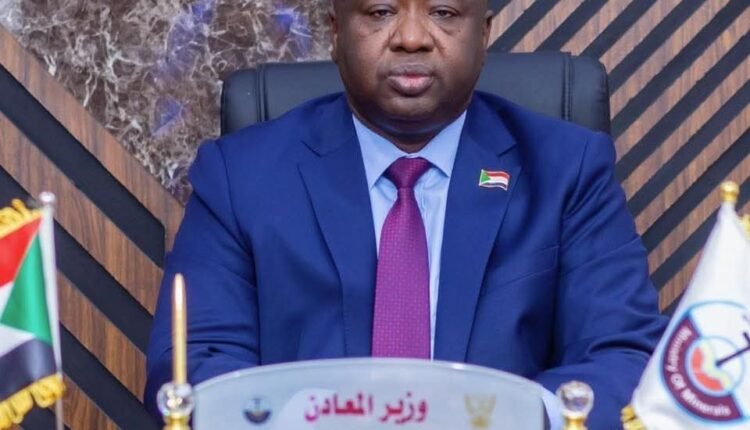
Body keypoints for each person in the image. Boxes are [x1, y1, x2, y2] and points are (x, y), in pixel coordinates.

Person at [145, 0, 666, 428]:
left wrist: (510, 417)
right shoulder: (241, 176)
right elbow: (193, 364)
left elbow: (625, 358)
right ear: (336, 32)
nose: (412, 38)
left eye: (443, 13)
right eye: (380, 12)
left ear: (483, 34)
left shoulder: (566, 171)